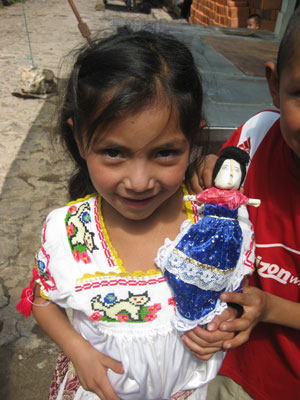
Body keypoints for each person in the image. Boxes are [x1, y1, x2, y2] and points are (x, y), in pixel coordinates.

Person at [16, 27, 239, 400]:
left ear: (194, 140)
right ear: (80, 139)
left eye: (165, 153)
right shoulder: (67, 231)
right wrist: (77, 350)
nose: (138, 182)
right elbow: (42, 298)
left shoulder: (211, 225)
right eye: (115, 153)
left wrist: (227, 322)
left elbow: (233, 294)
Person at [189, 7, 300, 400]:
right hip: (230, 365)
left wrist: (268, 307)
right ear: (275, 85)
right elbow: (220, 193)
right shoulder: (256, 135)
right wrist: (204, 170)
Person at [160, 147, 258, 332]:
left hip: (229, 235)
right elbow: (201, 197)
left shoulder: (237, 203)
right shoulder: (212, 194)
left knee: (222, 265)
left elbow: (246, 201)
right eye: (225, 171)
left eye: (235, 173)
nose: (229, 177)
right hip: (206, 229)